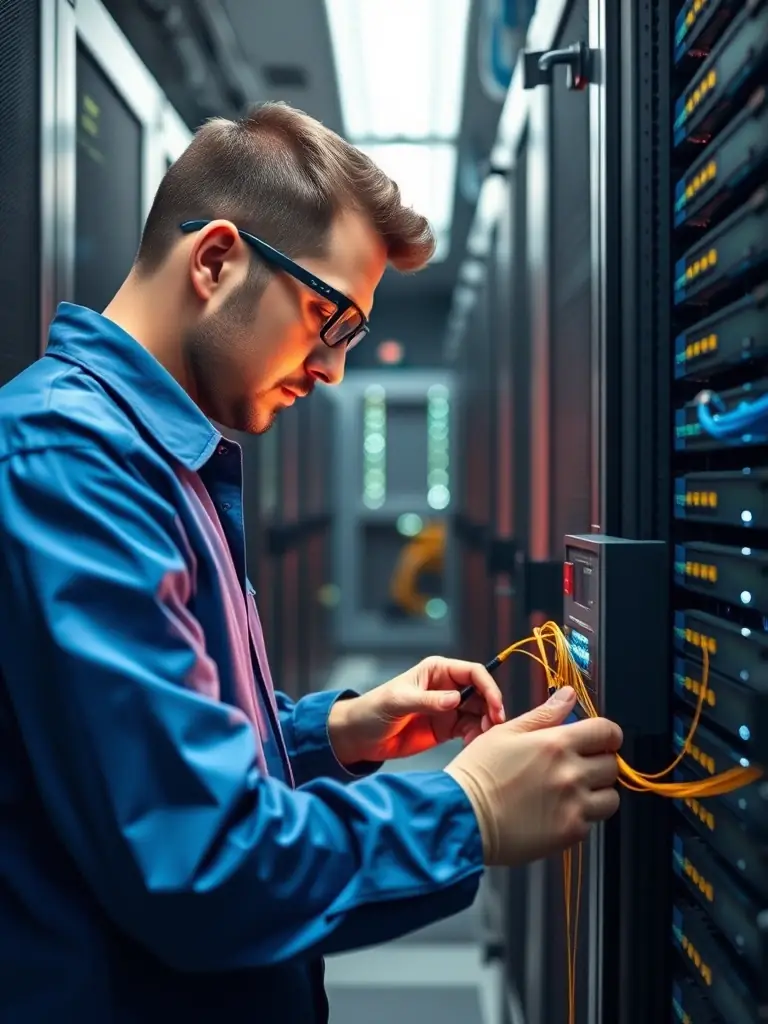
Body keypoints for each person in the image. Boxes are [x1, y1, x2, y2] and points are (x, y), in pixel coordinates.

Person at [0, 102, 622, 1022]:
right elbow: (197, 859)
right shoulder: (71, 463)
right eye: (330, 320)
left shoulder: (160, 460)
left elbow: (150, 754)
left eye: (352, 337)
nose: (332, 371)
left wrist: (332, 732)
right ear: (216, 260)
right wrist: (468, 812)